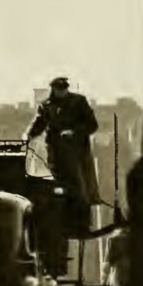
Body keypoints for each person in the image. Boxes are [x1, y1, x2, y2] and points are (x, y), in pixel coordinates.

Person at [26, 77, 101, 217]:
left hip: (75, 152)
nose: (62, 92)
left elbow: (92, 125)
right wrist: (28, 136)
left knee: (77, 183)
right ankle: (60, 215)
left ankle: (80, 217)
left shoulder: (79, 102)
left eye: (64, 89)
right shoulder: (47, 105)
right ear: (53, 90)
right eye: (59, 90)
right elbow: (39, 124)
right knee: (56, 182)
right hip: (54, 151)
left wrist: (74, 132)